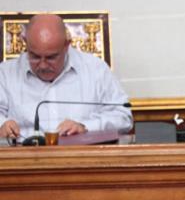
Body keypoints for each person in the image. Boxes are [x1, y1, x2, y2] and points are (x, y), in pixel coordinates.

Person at [0, 14, 133, 142]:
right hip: (23, 155)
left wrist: (86, 127)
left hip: (82, 154)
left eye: (51, 57)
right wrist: (2, 124)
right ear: (25, 43)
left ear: (66, 45)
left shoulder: (96, 70)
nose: (43, 65)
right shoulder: (5, 73)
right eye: (35, 56)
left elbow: (123, 117)